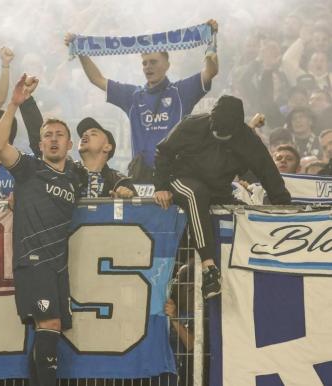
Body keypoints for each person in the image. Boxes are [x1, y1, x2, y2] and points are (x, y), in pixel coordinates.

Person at [153, 95, 291, 299]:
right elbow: (163, 152)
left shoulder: (248, 139)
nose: (219, 135)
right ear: (211, 119)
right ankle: (210, 269)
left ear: (236, 128)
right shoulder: (192, 124)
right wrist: (161, 186)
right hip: (181, 179)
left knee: (242, 214)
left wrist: (285, 206)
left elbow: (268, 171)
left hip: (218, 189)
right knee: (195, 193)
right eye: (216, 131)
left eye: (225, 135)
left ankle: (260, 271)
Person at [0, 74, 77, 386]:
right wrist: (14, 104)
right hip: (33, 260)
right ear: (40, 144)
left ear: (70, 144)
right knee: (49, 324)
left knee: (49, 332)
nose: (53, 138)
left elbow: (109, 176)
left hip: (58, 267)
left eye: (59, 135)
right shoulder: (29, 169)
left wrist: (121, 186)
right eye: (48, 135)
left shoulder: (75, 176)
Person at [65, 20, 219, 182]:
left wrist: (211, 38)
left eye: (153, 62)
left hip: (174, 173)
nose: (148, 67)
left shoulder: (181, 91)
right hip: (141, 175)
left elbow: (211, 71)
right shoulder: (133, 96)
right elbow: (97, 79)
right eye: (144, 63)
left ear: (167, 64)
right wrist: (81, 49)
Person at [18, 80, 137, 198]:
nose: (85, 135)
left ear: (107, 147)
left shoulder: (119, 182)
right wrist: (27, 100)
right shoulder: (67, 170)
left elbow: (140, 212)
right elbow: (43, 143)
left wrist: (125, 200)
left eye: (93, 133)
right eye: (83, 134)